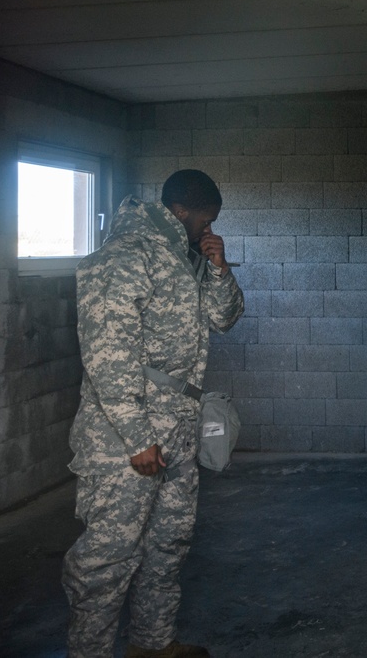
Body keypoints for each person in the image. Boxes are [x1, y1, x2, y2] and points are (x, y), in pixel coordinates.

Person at [62, 169, 244, 658]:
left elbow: (224, 319)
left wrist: (220, 268)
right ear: (181, 211)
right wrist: (137, 437)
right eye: (205, 221)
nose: (209, 230)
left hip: (178, 427)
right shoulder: (124, 257)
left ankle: (153, 643)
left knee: (168, 544)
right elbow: (107, 353)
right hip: (125, 438)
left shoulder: (185, 259)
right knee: (108, 558)